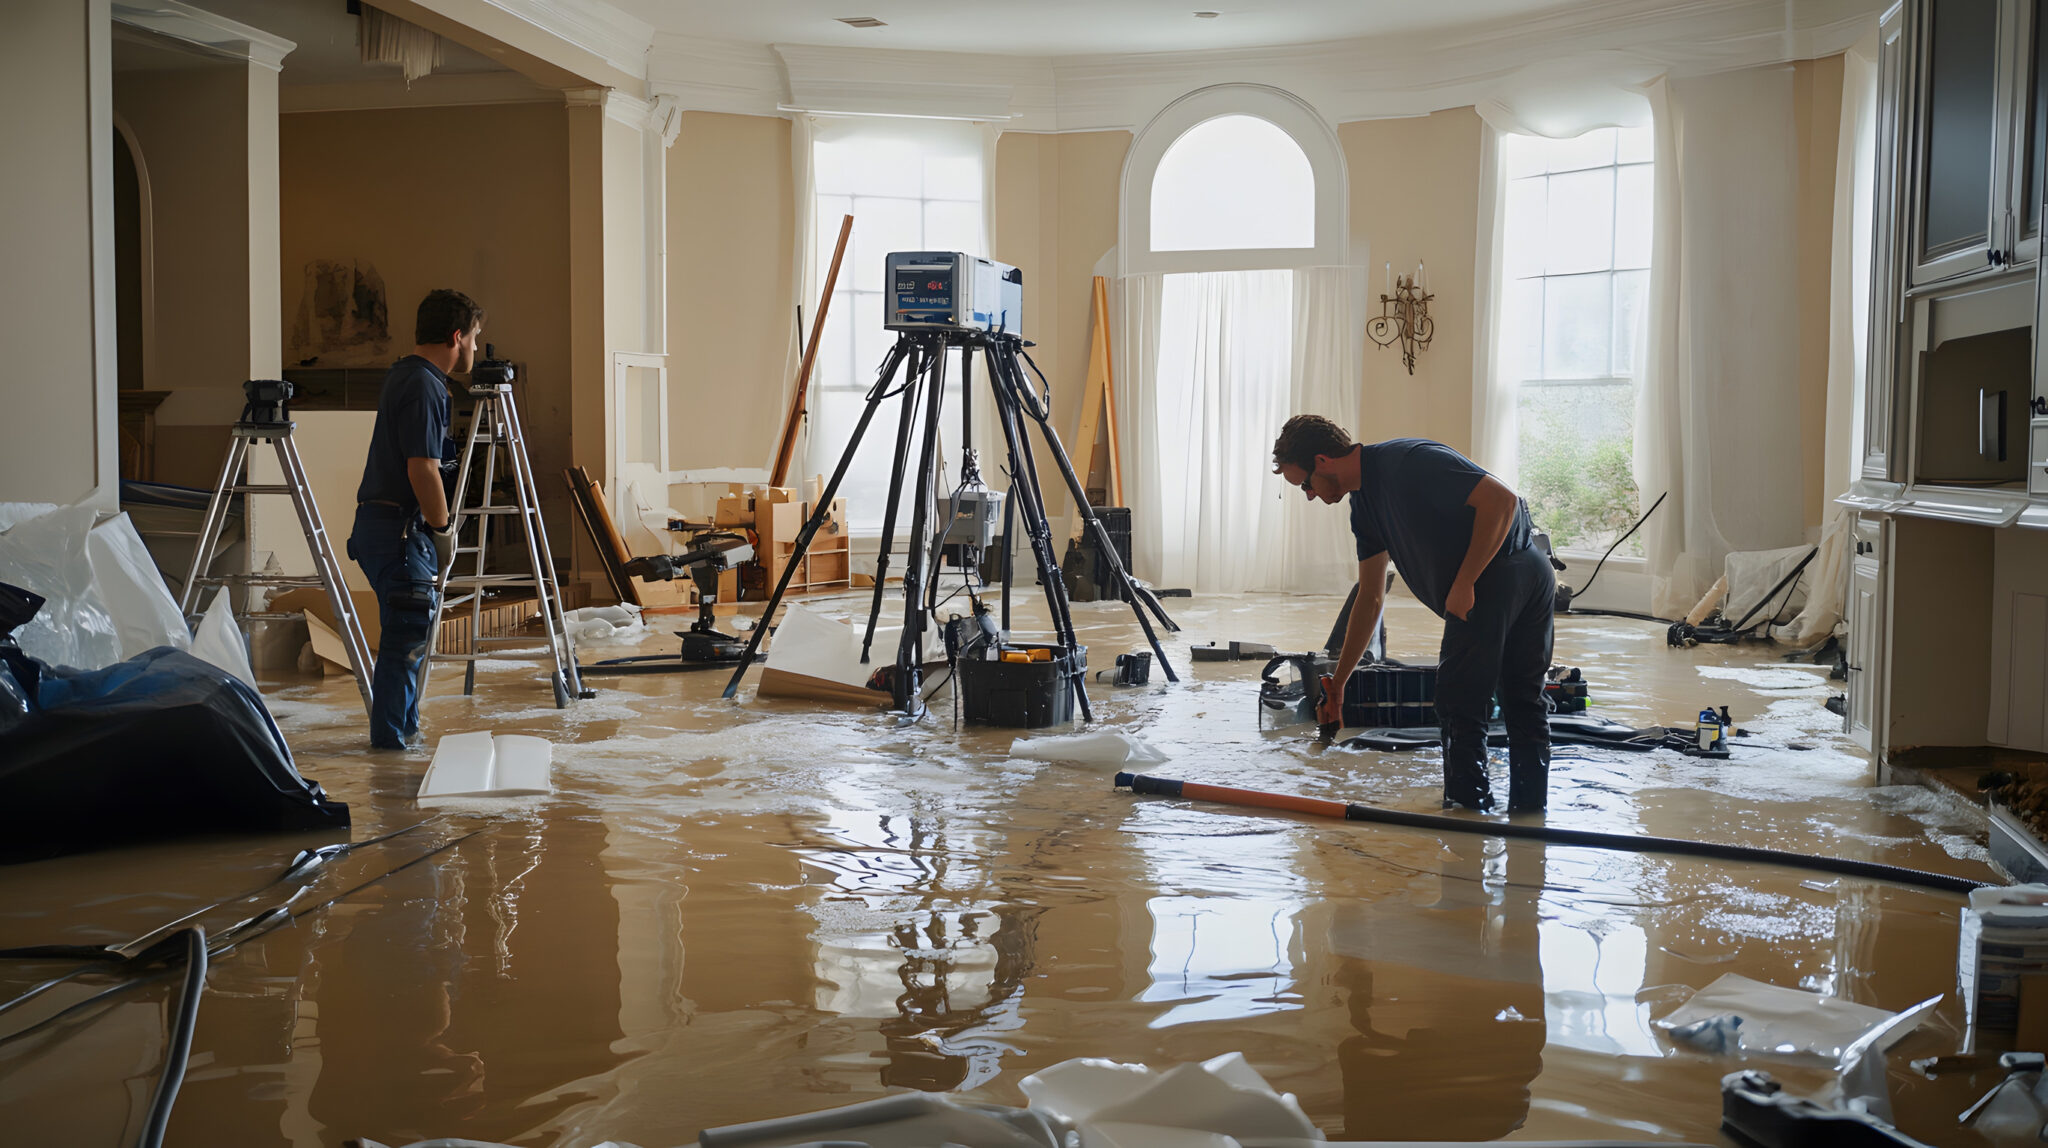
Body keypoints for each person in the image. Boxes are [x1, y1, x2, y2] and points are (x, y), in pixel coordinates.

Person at [1271, 415, 1554, 812]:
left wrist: (1465, 581)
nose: (1310, 496)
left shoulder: (1407, 461)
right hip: (1514, 572)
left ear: (1322, 461)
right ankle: (1529, 817)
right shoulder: (1364, 507)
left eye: (1305, 485)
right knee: (1520, 700)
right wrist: (1340, 681)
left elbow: (1502, 501)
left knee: (1460, 701)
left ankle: (1466, 817)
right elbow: (1369, 598)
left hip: (1507, 571)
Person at [348, 289, 484, 749]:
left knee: (406, 636)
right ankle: (393, 749)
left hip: (383, 528)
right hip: (399, 531)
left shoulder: (404, 374)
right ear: (457, 336)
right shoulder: (425, 384)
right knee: (405, 636)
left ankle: (402, 737)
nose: (476, 350)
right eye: (475, 339)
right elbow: (422, 467)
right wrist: (443, 529)